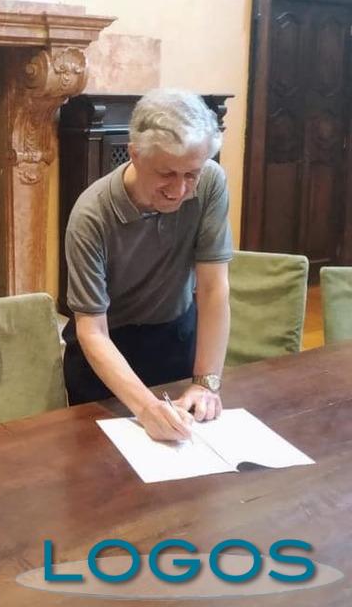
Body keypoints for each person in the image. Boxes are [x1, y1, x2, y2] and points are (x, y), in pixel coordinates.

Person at [62, 89, 232, 442]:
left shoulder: (211, 182)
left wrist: (205, 382)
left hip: (176, 338)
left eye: (191, 173)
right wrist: (145, 407)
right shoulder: (91, 215)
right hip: (108, 353)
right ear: (135, 154)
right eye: (167, 173)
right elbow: (92, 331)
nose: (180, 189)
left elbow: (213, 288)